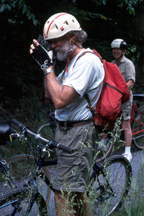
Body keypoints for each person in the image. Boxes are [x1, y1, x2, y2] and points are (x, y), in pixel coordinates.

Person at [30, 12, 104, 216]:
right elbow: (49, 93)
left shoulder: (85, 62)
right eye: (50, 44)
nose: (52, 47)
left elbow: (60, 99)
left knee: (62, 194)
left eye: (55, 42)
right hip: (66, 133)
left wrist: (48, 68)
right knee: (77, 194)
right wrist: (46, 64)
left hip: (78, 134)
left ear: (71, 37)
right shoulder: (72, 63)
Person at [111, 39, 136, 162]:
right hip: (114, 98)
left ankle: (127, 152)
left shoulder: (128, 63)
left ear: (124, 51)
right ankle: (104, 144)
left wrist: (121, 90)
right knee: (108, 118)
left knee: (125, 125)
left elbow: (131, 81)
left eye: (118, 49)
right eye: (114, 49)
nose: (115, 51)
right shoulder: (112, 63)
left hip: (125, 98)